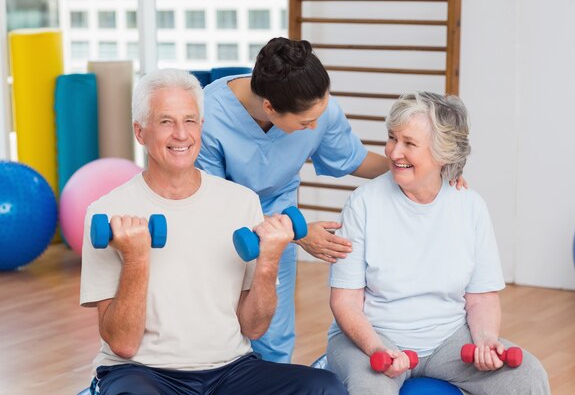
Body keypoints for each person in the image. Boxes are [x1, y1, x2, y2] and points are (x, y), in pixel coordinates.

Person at [196, 37, 467, 363]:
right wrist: (298, 232)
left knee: (273, 338)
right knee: (215, 331)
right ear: (270, 107)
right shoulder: (207, 115)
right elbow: (211, 205)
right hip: (217, 228)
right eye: (305, 122)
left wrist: (431, 168)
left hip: (280, 221)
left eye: (319, 115)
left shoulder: (318, 109)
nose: (314, 126)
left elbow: (355, 160)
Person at [80, 68, 347, 395]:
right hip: (143, 372)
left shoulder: (241, 202)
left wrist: (269, 261)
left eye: (190, 120)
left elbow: (255, 327)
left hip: (230, 370)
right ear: (140, 132)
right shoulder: (107, 213)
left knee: (325, 387)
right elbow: (121, 344)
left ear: (201, 127)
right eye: (166, 122)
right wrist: (136, 258)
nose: (181, 134)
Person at [326, 92, 550, 395]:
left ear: (442, 153)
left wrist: (484, 340)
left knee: (527, 376)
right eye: (392, 138)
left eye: (409, 143)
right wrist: (377, 347)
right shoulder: (363, 204)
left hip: (447, 341)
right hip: (374, 337)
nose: (393, 153)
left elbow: (482, 297)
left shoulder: (469, 206)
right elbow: (346, 301)